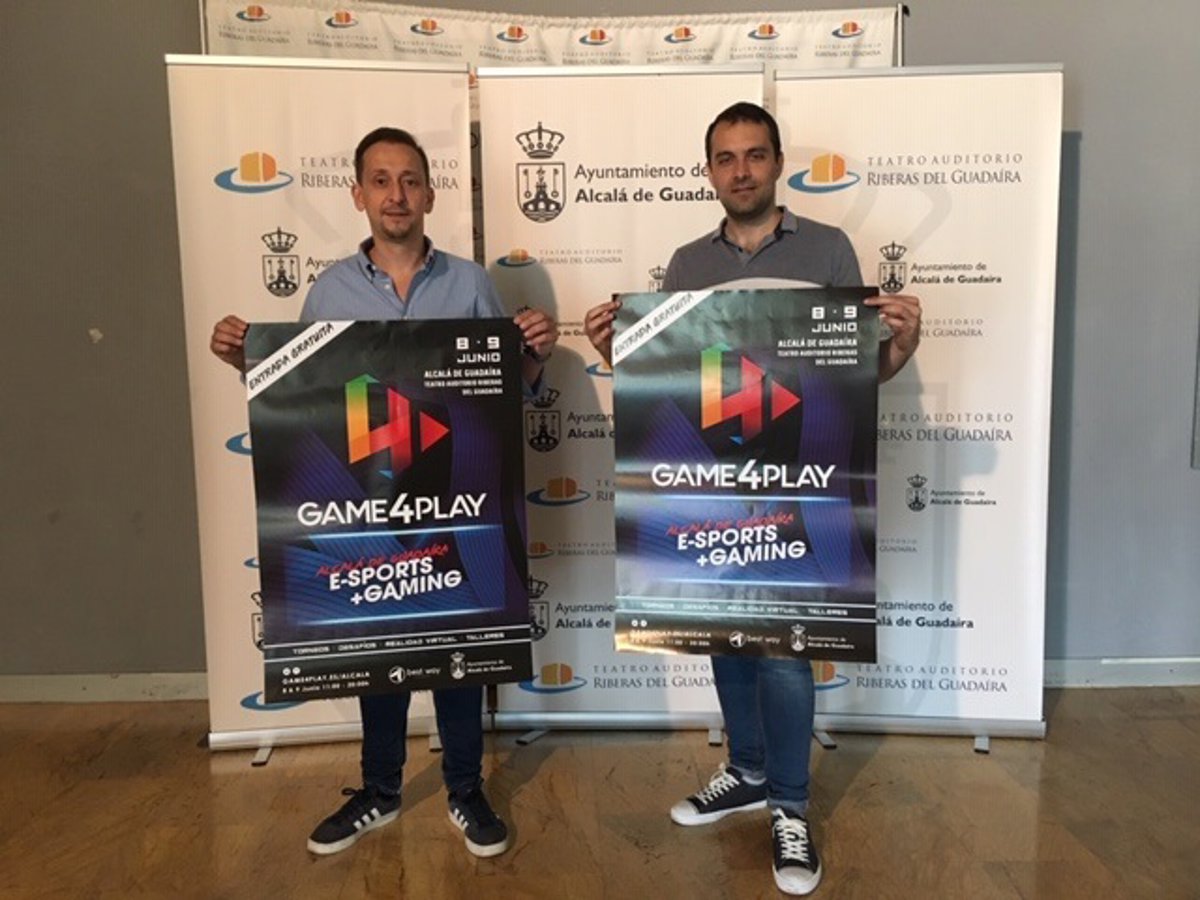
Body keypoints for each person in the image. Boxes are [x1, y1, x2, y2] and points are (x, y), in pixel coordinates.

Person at [584, 102, 921, 896]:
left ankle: (791, 805)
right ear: (709, 170)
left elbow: (855, 377)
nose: (741, 170)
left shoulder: (828, 250)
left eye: (755, 154)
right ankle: (746, 772)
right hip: (712, 484)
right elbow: (673, 378)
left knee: (785, 647)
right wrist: (617, 354)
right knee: (724, 633)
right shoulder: (685, 263)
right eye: (726, 158)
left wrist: (901, 348)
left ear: (777, 164)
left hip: (800, 485)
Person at [211, 126, 557, 860]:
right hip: (367, 504)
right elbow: (303, 400)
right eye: (381, 180)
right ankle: (380, 790)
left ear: (429, 193)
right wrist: (247, 362)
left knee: (457, 649)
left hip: (455, 501)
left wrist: (533, 360)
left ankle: (465, 789)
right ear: (358, 195)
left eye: (409, 180)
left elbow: (507, 395)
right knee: (378, 649)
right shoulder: (329, 290)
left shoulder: (470, 283)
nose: (396, 194)